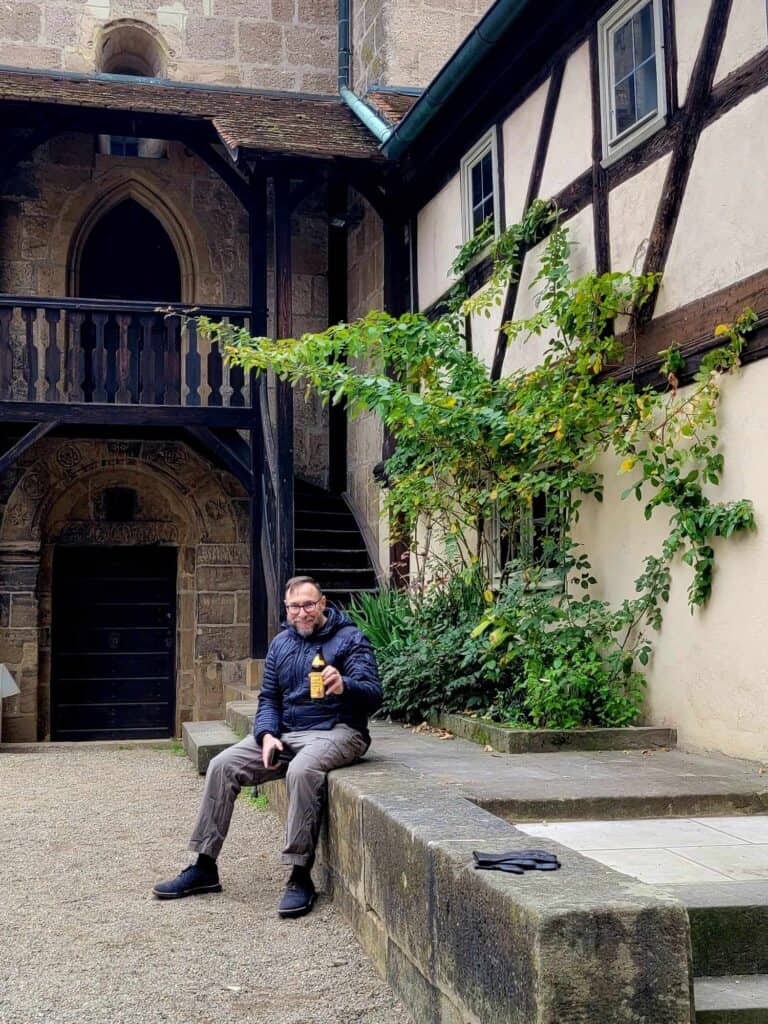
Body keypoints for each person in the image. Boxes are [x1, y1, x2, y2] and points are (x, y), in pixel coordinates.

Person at [153, 575, 382, 918]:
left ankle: (299, 874)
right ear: (286, 609)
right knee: (222, 765)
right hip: (287, 733)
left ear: (322, 603)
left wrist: (344, 685)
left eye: (308, 604)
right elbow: (269, 699)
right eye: (294, 606)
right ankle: (204, 865)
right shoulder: (281, 644)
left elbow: (374, 695)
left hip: (338, 730)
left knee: (304, 770)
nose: (301, 612)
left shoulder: (350, 639)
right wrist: (266, 734)